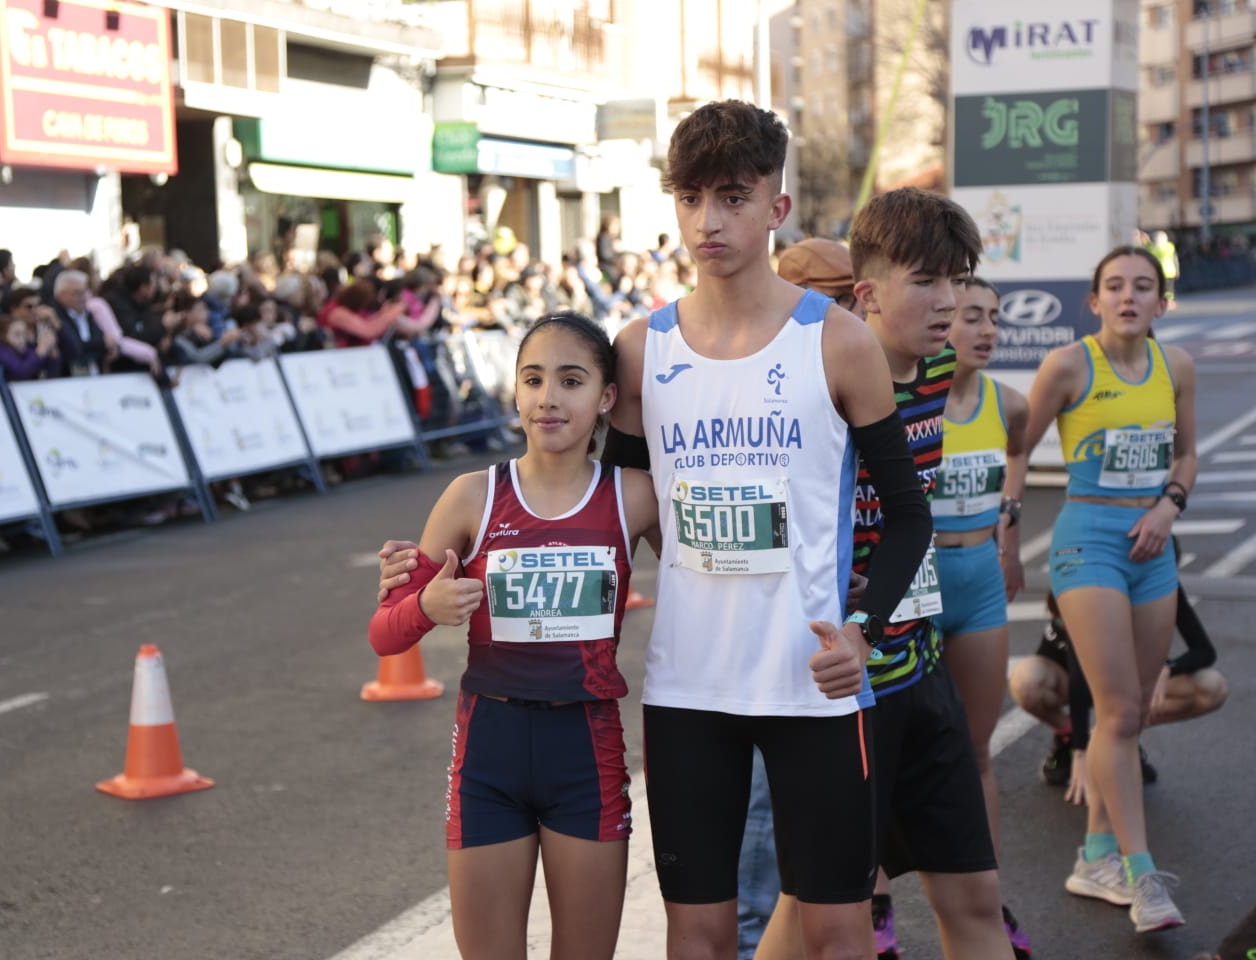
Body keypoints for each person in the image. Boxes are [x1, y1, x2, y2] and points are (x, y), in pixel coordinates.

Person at [387, 100, 935, 960]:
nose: (707, 221)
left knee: (836, 930)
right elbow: (607, 508)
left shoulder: (838, 343)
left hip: (811, 685)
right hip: (689, 692)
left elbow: (908, 513)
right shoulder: (641, 350)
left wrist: (864, 630)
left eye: (732, 197)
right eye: (689, 198)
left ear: (776, 209)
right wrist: (447, 567)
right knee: (700, 934)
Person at [760, 188, 1011, 960]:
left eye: (958, 280)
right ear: (867, 294)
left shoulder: (939, 370)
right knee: (811, 912)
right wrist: (823, 577)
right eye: (927, 282)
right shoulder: (818, 385)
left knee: (975, 896)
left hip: (920, 665)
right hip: (847, 689)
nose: (951, 304)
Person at [368, 312, 660, 959]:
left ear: (607, 398)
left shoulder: (635, 497)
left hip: (586, 753)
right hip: (489, 756)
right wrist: (425, 603)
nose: (548, 398)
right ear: (515, 391)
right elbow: (386, 636)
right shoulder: (472, 495)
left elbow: (712, 584)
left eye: (571, 380)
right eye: (533, 379)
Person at [1022, 244, 1196, 933]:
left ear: (1161, 301)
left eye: (1143, 286)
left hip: (1152, 547)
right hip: (1087, 542)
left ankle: (1095, 855)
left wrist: (1168, 506)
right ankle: (1144, 876)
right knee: (1120, 710)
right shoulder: (1068, 365)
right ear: (1094, 302)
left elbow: (1186, 451)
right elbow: (1018, 445)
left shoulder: (1174, 366)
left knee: (1128, 718)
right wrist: (1004, 529)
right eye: (1115, 286)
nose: (1129, 296)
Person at [733, 236, 862, 960]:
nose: (845, 312)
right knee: (758, 808)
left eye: (851, 297)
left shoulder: (861, 366)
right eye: (832, 298)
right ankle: (758, 940)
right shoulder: (750, 367)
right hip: (756, 642)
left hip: (838, 639)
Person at [927, 276, 1031, 955]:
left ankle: (987, 902)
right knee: (877, 755)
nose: (987, 330)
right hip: (916, 583)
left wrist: (1010, 530)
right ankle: (873, 904)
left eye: (994, 318)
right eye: (972, 317)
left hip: (978, 583)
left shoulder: (1010, 404)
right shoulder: (913, 403)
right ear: (942, 323)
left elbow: (1016, 456)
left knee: (976, 750)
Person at [1011, 579, 1227, 795]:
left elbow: (1204, 650)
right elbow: (1080, 677)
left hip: (1123, 681)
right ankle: (1070, 736)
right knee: (1025, 682)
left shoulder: (1162, 579)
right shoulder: (1093, 576)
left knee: (1211, 687)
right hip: (1070, 675)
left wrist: (1168, 668)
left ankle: (1119, 736)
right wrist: (1081, 751)